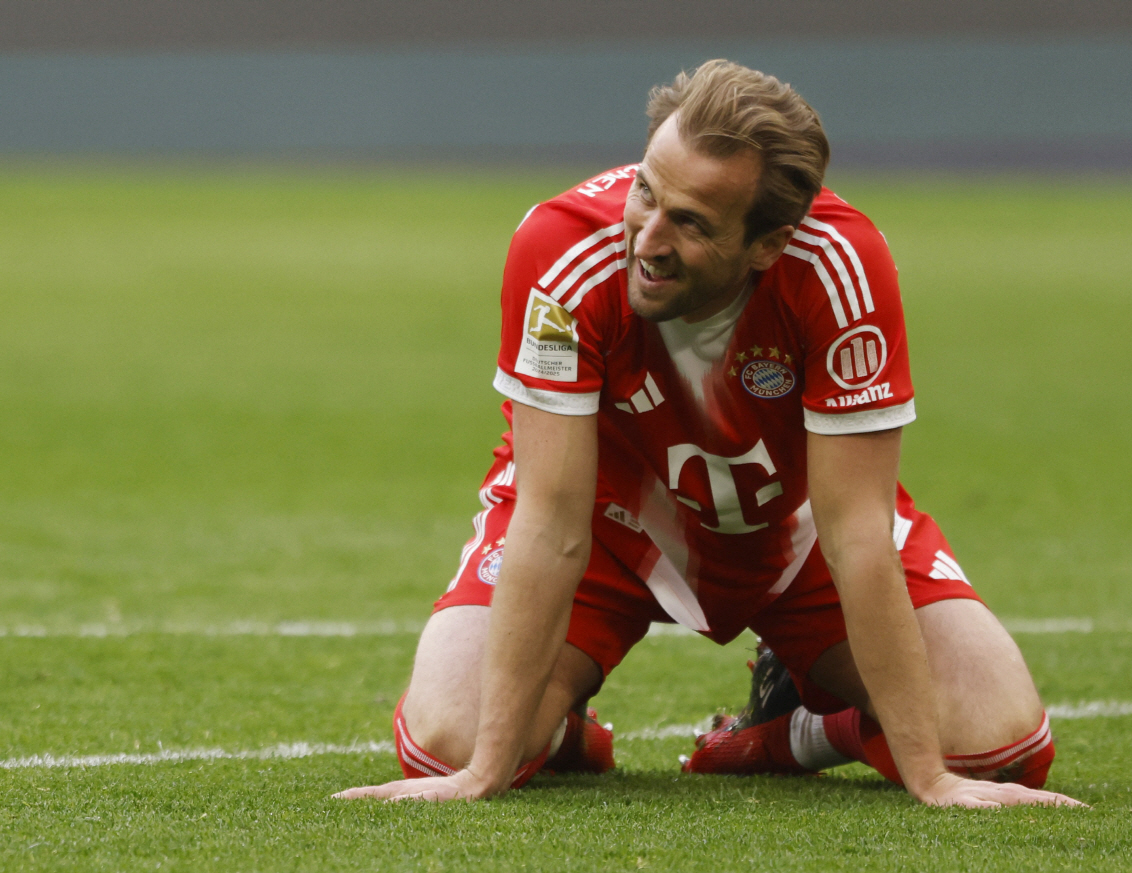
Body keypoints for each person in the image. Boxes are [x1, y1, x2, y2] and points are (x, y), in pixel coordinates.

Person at [336, 60, 1082, 808]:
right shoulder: (561, 252)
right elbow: (552, 521)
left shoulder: (841, 268)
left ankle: (800, 725)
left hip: (797, 536)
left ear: (768, 243)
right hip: (604, 531)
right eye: (645, 192)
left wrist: (932, 778)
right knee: (443, 742)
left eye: (689, 222)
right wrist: (482, 771)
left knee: (1002, 744)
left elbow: (856, 528)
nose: (646, 239)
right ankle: (561, 726)